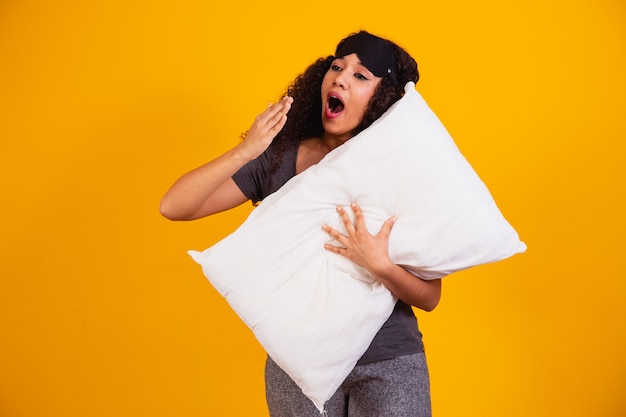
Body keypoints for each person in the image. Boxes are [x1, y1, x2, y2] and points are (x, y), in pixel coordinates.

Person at [160, 31, 441, 417]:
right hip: (296, 363)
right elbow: (175, 206)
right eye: (338, 67)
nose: (341, 77)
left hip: (388, 363)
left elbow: (429, 296)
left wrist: (380, 265)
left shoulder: (398, 171)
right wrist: (246, 149)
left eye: (361, 76)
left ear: (384, 98)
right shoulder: (281, 158)